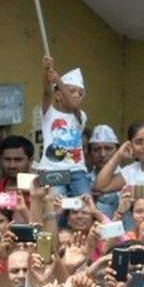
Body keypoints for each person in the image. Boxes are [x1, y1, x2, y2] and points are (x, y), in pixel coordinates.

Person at [39, 56, 90, 196]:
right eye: (71, 91)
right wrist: (47, 70)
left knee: (86, 203)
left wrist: (58, 81)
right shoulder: (48, 114)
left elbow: (74, 105)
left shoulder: (80, 116)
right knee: (55, 207)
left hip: (76, 170)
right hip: (52, 169)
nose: (76, 95)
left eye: (80, 93)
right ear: (58, 95)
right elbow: (46, 92)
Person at [85, 124, 121, 217]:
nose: (103, 154)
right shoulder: (83, 181)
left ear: (118, 152)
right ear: (89, 155)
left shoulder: (129, 177)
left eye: (108, 148)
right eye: (96, 149)